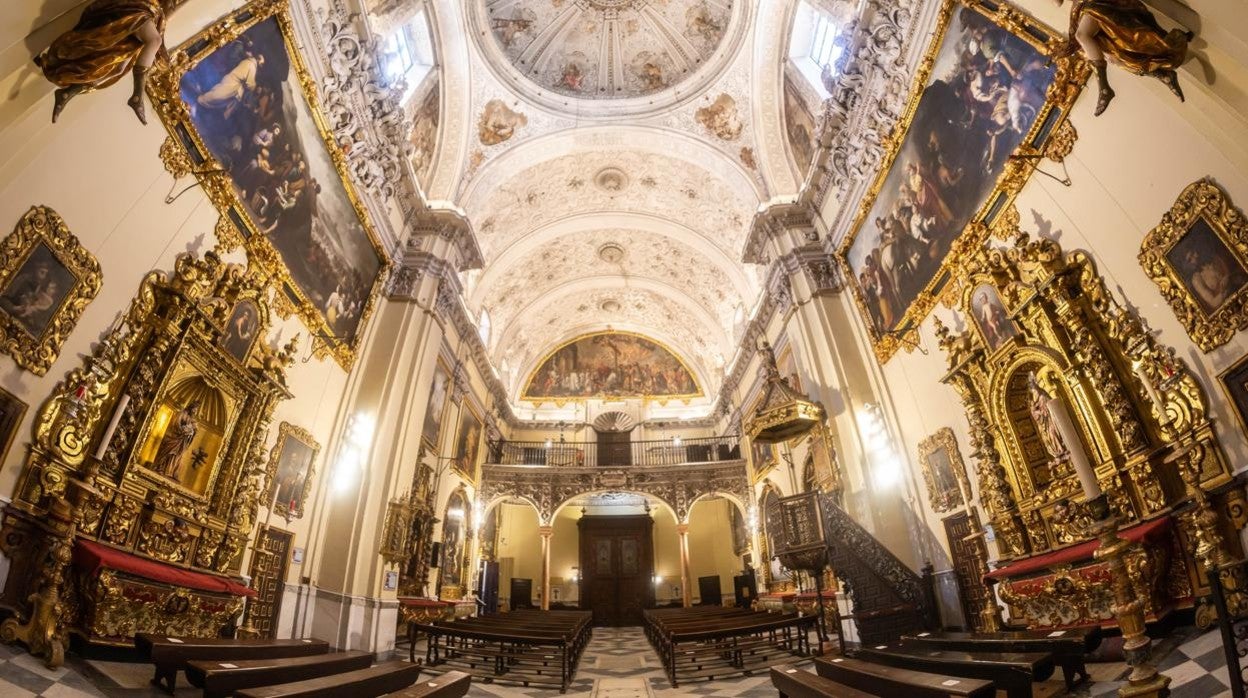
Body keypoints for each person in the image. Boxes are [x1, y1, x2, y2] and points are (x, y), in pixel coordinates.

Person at [35, 0, 180, 124]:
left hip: (150, 16)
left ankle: (67, 93)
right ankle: (138, 97)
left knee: (116, 69)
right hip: (138, 7)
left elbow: (167, 15)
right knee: (154, 40)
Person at [1055, 0, 1190, 116]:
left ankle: (1104, 88)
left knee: (1082, 35)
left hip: (1094, 4)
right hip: (1082, 8)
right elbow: (1057, 2)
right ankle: (1163, 74)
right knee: (1116, 57)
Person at [153, 400, 199, 478]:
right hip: (175, 437)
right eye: (195, 409)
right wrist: (182, 430)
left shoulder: (191, 418)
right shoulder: (182, 413)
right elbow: (176, 423)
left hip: (182, 440)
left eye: (196, 410)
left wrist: (193, 430)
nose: (195, 411)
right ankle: (159, 467)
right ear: (191, 407)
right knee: (169, 451)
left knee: (177, 455)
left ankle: (170, 471)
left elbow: (194, 429)